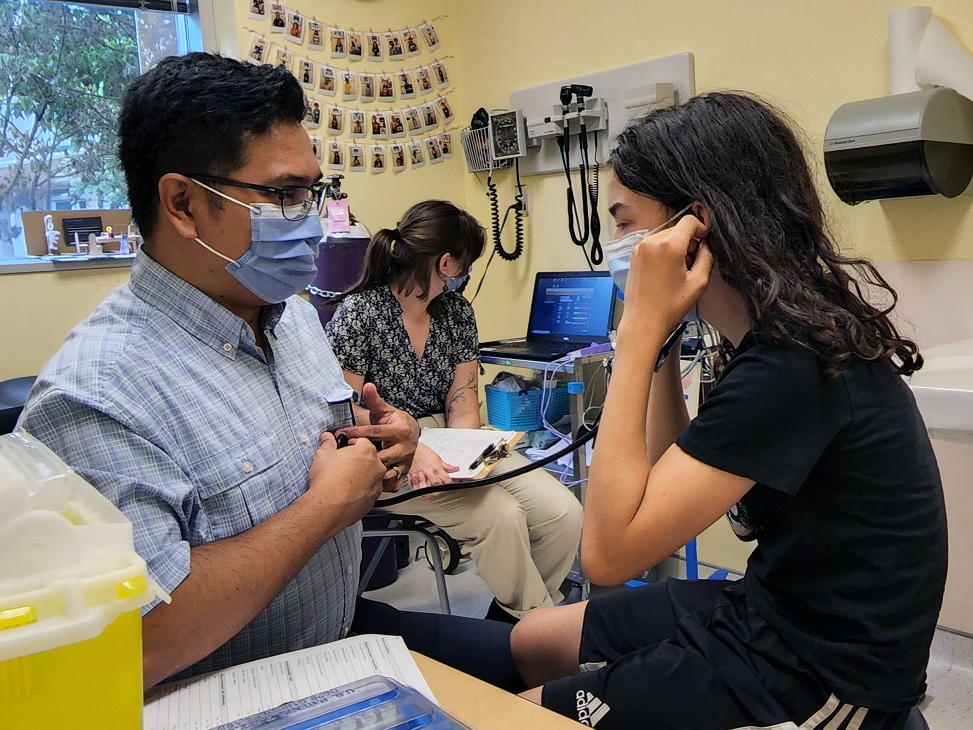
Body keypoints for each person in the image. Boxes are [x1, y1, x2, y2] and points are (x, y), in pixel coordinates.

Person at [17, 53, 522, 693]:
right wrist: (327, 507)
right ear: (183, 203)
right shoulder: (97, 395)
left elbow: (320, 443)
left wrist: (377, 443)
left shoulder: (295, 320)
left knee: (556, 651)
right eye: (284, 195)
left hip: (335, 633)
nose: (311, 223)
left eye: (314, 192)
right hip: (233, 688)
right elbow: (142, 640)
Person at [510, 92, 947, 728]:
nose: (616, 245)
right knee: (532, 642)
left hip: (825, 672)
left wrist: (634, 334)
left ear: (695, 228)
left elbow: (606, 555)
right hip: (773, 605)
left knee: (518, 715)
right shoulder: (775, 339)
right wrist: (658, 340)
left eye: (626, 222)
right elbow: (654, 490)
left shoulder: (792, 370)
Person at [326, 201, 584, 623]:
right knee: (501, 516)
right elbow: (347, 414)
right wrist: (414, 448)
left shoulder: (457, 314)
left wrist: (469, 459)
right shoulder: (360, 314)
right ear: (447, 263)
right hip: (384, 452)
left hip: (449, 440)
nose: (463, 276)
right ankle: (541, 631)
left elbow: (463, 404)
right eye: (464, 265)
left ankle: (513, 623)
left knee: (562, 513)